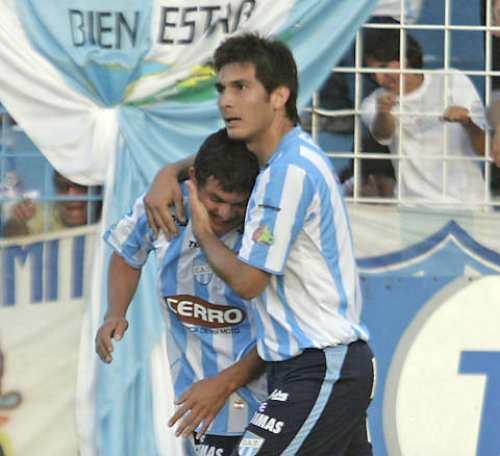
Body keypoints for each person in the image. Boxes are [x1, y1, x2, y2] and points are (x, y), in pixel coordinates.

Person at [145, 33, 374, 456]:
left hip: (322, 366)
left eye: (241, 87)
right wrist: (168, 172)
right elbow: (212, 159)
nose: (225, 102)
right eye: (222, 89)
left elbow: (249, 282)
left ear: (278, 96)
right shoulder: (282, 160)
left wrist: (203, 229)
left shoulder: (287, 173)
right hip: (310, 368)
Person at [95, 130, 266, 456]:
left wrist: (225, 383)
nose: (225, 214)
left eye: (236, 205)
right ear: (193, 181)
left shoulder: (264, 226)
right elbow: (126, 254)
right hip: (200, 407)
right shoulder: (164, 208)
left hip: (267, 400)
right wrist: (114, 312)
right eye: (215, 200)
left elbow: (281, 335)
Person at [361, 28, 488, 205]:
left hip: (469, 203)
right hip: (413, 208)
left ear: (404, 58)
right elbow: (383, 135)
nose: (380, 77)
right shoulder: (372, 102)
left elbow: (485, 149)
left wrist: (467, 122)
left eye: (383, 66)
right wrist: (384, 112)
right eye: (372, 72)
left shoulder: (452, 80)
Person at [2, 171, 101, 237]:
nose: (72, 194)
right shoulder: (38, 215)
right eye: (62, 186)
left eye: (81, 184)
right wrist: (17, 222)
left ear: (98, 188)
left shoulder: (109, 217)